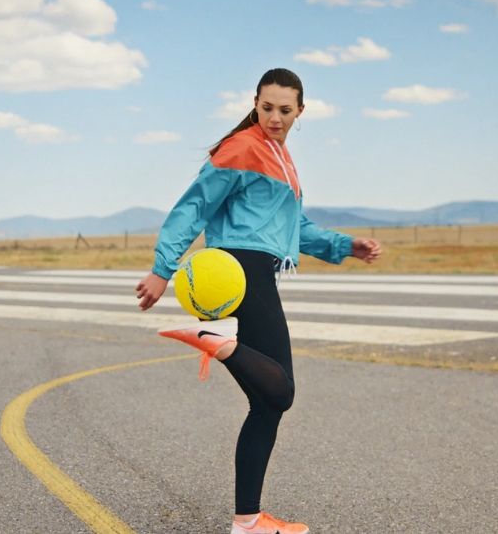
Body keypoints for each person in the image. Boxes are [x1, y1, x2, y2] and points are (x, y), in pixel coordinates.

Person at [134, 68, 383, 534]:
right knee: (281, 392)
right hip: (241, 268)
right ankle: (214, 339)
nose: (274, 116)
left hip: (254, 268)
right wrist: (162, 269)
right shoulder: (242, 147)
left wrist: (345, 245)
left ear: (300, 112)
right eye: (267, 107)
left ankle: (247, 520)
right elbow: (194, 207)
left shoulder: (280, 157)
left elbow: (295, 229)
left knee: (268, 402)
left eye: (284, 110)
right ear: (255, 102)